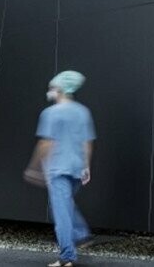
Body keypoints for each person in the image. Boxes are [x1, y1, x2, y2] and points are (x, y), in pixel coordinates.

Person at [33, 70, 95, 267]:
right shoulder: (82, 111)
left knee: (61, 214)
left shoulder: (50, 113)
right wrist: (86, 166)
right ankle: (80, 233)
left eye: (52, 88)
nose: (50, 91)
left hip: (58, 170)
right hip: (76, 169)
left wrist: (33, 167)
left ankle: (67, 256)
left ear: (59, 89)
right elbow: (87, 143)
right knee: (65, 207)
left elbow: (45, 144)